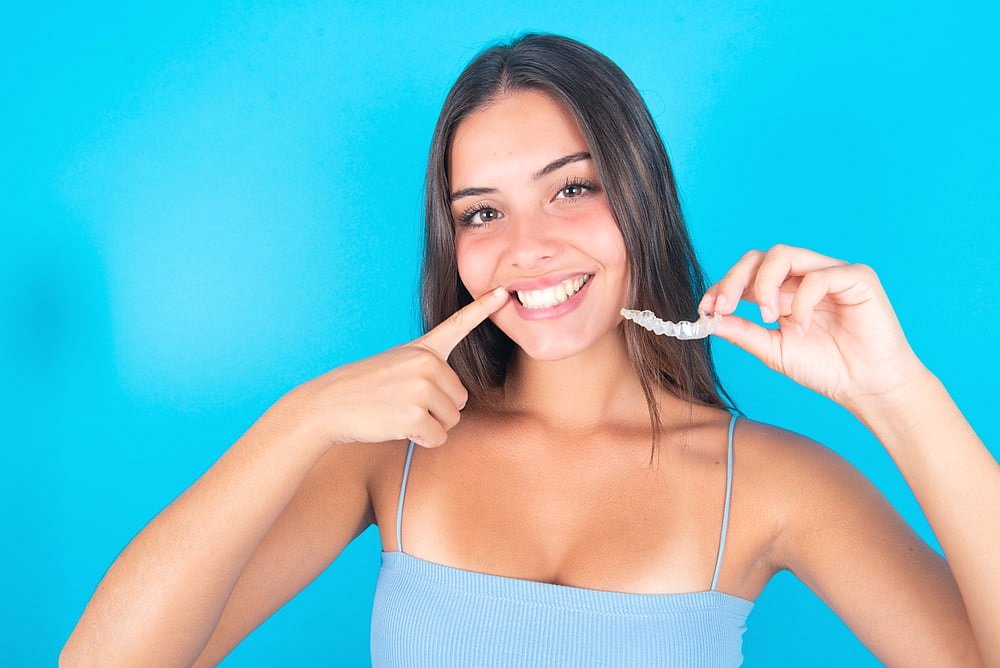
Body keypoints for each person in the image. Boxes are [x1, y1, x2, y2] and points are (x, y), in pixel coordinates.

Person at [61, 33, 996, 667]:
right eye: (482, 213)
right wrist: (298, 421)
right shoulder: (394, 452)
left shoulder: (777, 484)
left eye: (572, 189)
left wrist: (899, 394)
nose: (527, 248)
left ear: (642, 199)